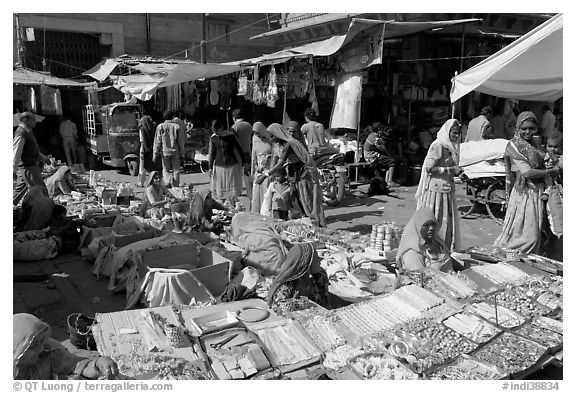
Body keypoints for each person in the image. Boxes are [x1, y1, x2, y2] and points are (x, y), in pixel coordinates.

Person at [494, 112, 560, 254]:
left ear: (536, 128)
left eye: (531, 128)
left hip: (539, 191)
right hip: (524, 194)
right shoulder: (514, 145)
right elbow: (527, 173)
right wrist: (549, 172)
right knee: (529, 236)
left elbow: (546, 158)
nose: (527, 132)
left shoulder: (536, 142)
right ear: (518, 127)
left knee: (542, 230)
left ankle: (532, 258)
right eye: (524, 128)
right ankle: (513, 255)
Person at [256, 123, 326, 227]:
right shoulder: (283, 144)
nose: (272, 139)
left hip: (304, 177)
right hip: (296, 178)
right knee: (299, 205)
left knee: (307, 204)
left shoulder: (289, 144)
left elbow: (280, 163)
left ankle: (317, 227)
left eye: (273, 136)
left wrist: (265, 175)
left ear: (277, 134)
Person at [13, 313, 118, 380]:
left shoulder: (48, 351)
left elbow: (75, 364)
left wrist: (98, 364)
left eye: (42, 341)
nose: (41, 348)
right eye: (33, 346)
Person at [415, 118, 463, 252]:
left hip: (447, 189)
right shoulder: (438, 146)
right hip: (436, 192)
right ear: (447, 132)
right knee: (436, 220)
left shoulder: (451, 148)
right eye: (453, 133)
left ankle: (444, 248)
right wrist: (450, 170)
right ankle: (431, 248)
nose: (456, 136)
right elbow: (429, 168)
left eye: (458, 133)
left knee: (446, 222)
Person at [267, 242, 329, 308]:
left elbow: (325, 302)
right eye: (316, 258)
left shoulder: (320, 276)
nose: (320, 260)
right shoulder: (289, 283)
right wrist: (303, 303)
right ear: (306, 264)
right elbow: (278, 304)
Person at [396, 207, 453, 272]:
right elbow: (419, 278)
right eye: (426, 225)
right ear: (418, 227)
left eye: (433, 224)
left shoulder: (437, 242)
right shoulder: (413, 253)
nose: (431, 228)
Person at [13, 112, 50, 205]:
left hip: (27, 166)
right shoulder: (21, 133)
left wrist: (44, 158)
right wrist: (13, 169)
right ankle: (45, 210)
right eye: (33, 119)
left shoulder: (28, 131)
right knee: (41, 190)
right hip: (28, 167)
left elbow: (33, 149)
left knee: (19, 192)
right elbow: (16, 152)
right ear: (25, 120)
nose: (35, 122)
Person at [208, 119, 244, 205]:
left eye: (217, 130)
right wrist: (210, 167)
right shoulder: (213, 138)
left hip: (232, 165)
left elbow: (239, 149)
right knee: (221, 192)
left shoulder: (230, 136)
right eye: (214, 130)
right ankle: (223, 207)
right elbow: (212, 153)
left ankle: (233, 206)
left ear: (222, 128)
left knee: (232, 192)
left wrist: (243, 162)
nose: (216, 132)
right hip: (219, 166)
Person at [153, 110, 186, 187]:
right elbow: (180, 142)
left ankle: (167, 182)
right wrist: (182, 153)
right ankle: (175, 185)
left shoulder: (160, 127)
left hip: (165, 152)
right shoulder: (176, 126)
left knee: (165, 169)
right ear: (172, 117)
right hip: (175, 151)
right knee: (176, 170)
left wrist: (155, 154)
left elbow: (157, 141)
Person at [363, 127, 396, 193]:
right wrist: (389, 155)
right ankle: (390, 181)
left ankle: (387, 180)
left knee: (388, 162)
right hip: (371, 157)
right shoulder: (375, 138)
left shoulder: (371, 135)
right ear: (378, 132)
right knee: (392, 161)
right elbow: (382, 148)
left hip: (370, 155)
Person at [250, 121, 274, 214]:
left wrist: (268, 157)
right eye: (255, 133)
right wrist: (254, 168)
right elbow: (253, 155)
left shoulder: (270, 139)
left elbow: (275, 152)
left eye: (258, 133)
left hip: (267, 169)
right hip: (259, 169)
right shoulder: (255, 139)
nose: (257, 135)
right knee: (257, 192)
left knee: (266, 193)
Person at [231, 109, 253, 198]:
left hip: (237, 153)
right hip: (247, 151)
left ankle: (237, 192)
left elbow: (231, 141)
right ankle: (250, 192)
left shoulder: (234, 127)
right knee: (247, 173)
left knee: (236, 173)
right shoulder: (249, 125)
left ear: (234, 117)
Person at [137, 110, 156, 187]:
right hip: (151, 149)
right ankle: (150, 182)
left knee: (142, 167)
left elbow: (142, 141)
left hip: (144, 149)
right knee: (149, 166)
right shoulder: (152, 129)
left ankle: (141, 183)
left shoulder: (142, 130)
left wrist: (141, 151)